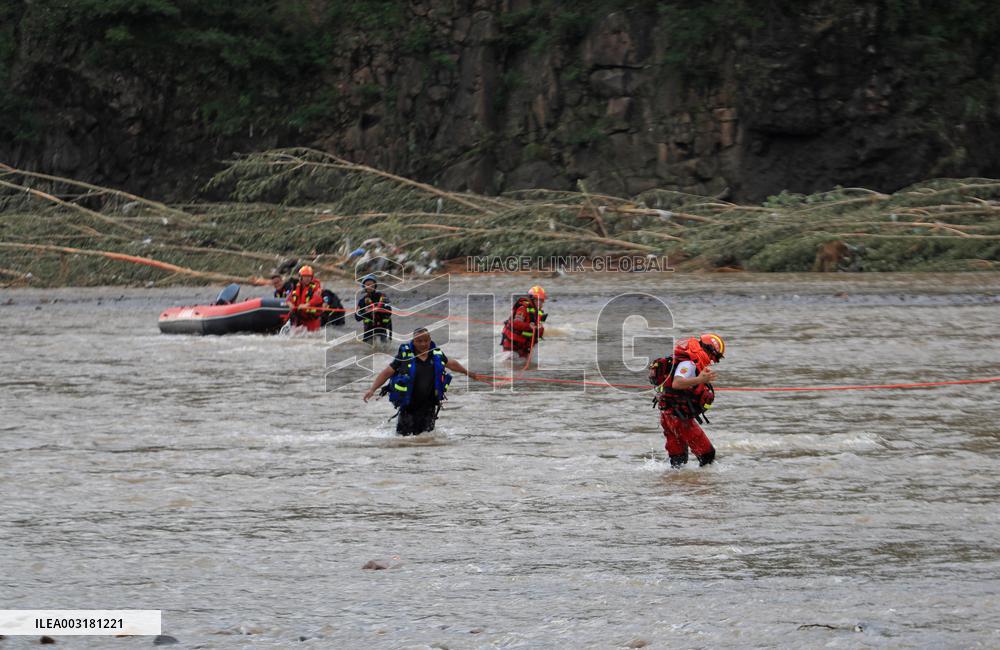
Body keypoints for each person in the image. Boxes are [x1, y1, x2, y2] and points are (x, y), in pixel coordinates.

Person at [363, 328, 476, 436]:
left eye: (426, 341)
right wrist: (372, 389)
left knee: (426, 438)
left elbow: (452, 364)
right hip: (409, 406)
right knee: (404, 439)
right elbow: (387, 372)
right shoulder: (404, 356)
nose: (423, 344)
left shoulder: (436, 355)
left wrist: (468, 373)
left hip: (429, 406)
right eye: (419, 341)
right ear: (413, 341)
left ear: (430, 340)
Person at [648, 333, 725, 468]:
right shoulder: (688, 363)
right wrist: (700, 380)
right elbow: (677, 383)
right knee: (707, 454)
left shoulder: (683, 359)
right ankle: (704, 487)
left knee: (678, 461)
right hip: (680, 419)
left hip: (668, 416)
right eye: (715, 357)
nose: (713, 361)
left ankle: (676, 486)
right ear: (709, 350)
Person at [501, 285, 547, 358]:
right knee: (510, 363)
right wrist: (530, 327)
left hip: (525, 345)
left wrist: (540, 329)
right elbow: (516, 323)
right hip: (513, 344)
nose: (541, 303)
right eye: (538, 300)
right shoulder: (523, 308)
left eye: (542, 300)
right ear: (532, 299)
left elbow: (539, 330)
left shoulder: (538, 312)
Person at [355, 275, 392, 344]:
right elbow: (357, 317)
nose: (370, 286)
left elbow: (389, 312)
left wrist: (380, 309)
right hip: (368, 329)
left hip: (381, 328)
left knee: (384, 349)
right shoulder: (362, 301)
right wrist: (366, 311)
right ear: (364, 287)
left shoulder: (383, 297)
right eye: (367, 284)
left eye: (372, 284)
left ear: (375, 286)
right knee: (367, 350)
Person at [285, 265, 323, 331]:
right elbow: (289, 298)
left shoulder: (315, 287)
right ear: (300, 277)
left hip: (311, 320)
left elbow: (318, 298)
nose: (307, 278)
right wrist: (290, 304)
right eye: (305, 276)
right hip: (299, 317)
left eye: (309, 276)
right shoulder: (296, 287)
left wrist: (306, 305)